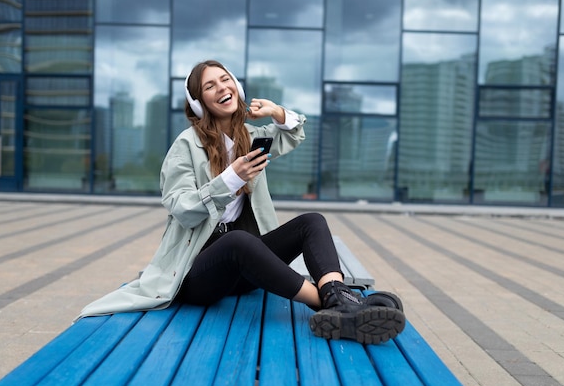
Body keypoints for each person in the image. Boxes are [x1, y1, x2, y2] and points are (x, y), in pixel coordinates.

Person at [78, 60, 405, 344]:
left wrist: (277, 112)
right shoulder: (186, 146)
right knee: (238, 241)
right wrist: (230, 179)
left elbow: (292, 135)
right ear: (198, 103)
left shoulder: (249, 136)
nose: (222, 87)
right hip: (198, 274)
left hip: (245, 270)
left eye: (225, 79)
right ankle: (331, 304)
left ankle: (339, 300)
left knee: (312, 221)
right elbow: (180, 207)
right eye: (210, 85)